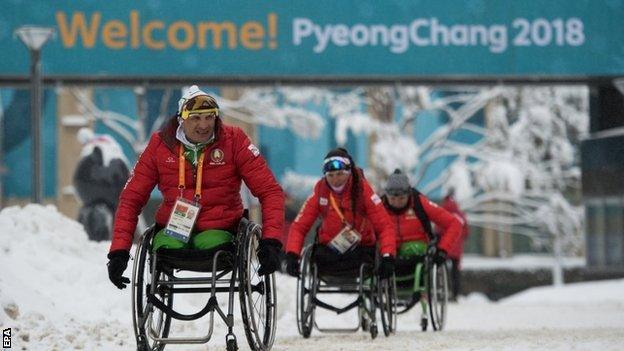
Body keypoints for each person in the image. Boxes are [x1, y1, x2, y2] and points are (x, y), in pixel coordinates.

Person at [106, 85, 284, 289]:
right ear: (182, 119)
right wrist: (119, 252)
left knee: (209, 243)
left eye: (209, 117)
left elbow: (270, 190)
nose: (204, 125)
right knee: (165, 245)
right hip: (174, 227)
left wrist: (271, 241)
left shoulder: (234, 141)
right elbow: (131, 197)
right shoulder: (160, 144)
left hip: (220, 227)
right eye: (196, 118)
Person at [284, 148, 396, 279]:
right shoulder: (321, 191)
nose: (335, 180)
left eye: (339, 174)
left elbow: (385, 226)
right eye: (330, 175)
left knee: (368, 257)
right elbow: (299, 226)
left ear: (349, 172)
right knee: (317, 256)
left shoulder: (363, 189)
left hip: (361, 253)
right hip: (328, 254)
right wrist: (292, 254)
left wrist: (388, 256)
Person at [381, 169, 462, 289]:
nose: (397, 203)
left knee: (412, 248)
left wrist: (442, 250)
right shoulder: (379, 207)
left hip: (416, 252)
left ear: (409, 194)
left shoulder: (420, 204)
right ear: (386, 195)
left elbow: (454, 224)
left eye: (402, 199)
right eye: (392, 199)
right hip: (389, 251)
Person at [73, 128, 130, 241]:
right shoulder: (115, 151)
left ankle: (80, 234)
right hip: (115, 188)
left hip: (88, 188)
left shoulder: (90, 151)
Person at [441, 188, 469, 300]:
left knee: (442, 270)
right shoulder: (460, 214)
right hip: (457, 249)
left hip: (444, 247)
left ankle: (443, 291)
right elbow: (466, 231)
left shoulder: (442, 212)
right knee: (455, 273)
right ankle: (455, 294)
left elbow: (437, 231)